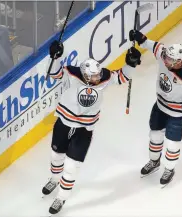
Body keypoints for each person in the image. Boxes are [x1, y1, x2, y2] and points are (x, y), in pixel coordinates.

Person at [42, 40, 142, 215]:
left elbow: (123, 76)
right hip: (64, 122)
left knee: (72, 166)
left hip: (84, 129)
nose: (97, 78)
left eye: (97, 75)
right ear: (85, 75)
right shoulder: (71, 74)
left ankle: (61, 197)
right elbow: (53, 72)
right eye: (93, 76)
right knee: (56, 156)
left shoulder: (103, 78)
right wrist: (55, 56)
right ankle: (54, 178)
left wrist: (130, 64)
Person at [129, 30, 182, 187]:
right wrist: (140, 38)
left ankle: (169, 169)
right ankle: (154, 162)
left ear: (179, 61)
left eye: (170, 59)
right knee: (154, 136)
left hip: (178, 113)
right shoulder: (163, 55)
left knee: (173, 144)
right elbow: (153, 45)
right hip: (160, 106)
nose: (166, 60)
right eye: (166, 57)